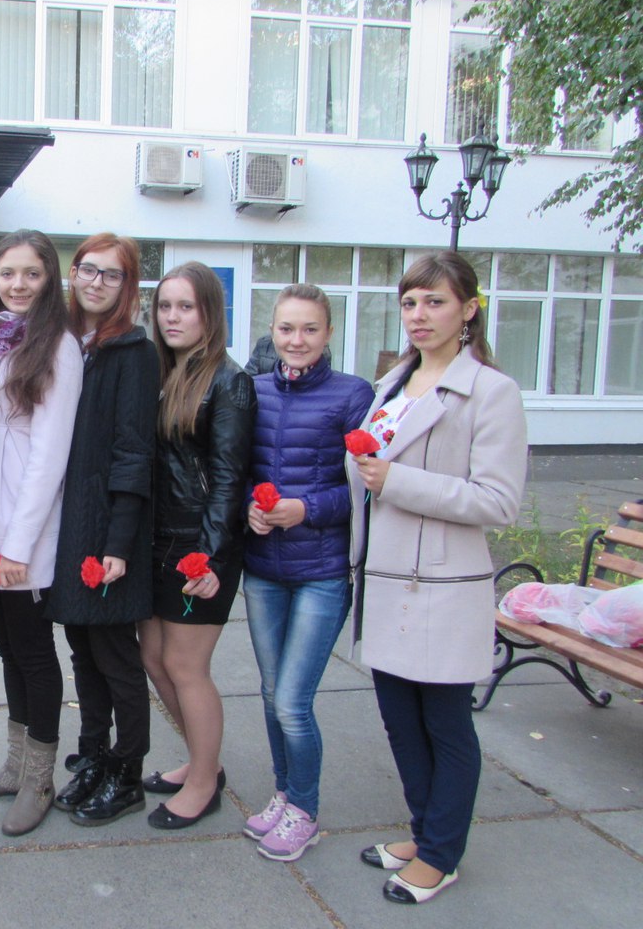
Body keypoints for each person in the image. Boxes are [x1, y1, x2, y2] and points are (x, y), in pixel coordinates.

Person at [348, 251, 525, 904]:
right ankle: (426, 835)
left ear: (469, 309)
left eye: (435, 301)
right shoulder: (392, 384)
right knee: (400, 722)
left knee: (445, 726)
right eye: (410, 303)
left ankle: (442, 855)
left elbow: (499, 501)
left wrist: (400, 481)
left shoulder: (492, 392)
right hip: (385, 577)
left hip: (441, 586)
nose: (419, 315)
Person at [241, 284, 374, 861]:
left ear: (328, 333)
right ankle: (284, 793)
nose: (297, 340)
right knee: (272, 693)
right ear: (272, 330)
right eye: (287, 328)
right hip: (263, 569)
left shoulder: (353, 394)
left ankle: (306, 810)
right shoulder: (253, 391)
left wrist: (306, 509)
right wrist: (248, 506)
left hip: (322, 570)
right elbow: (235, 469)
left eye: (310, 329)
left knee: (293, 701)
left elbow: (365, 490)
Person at [0, 229, 82, 837]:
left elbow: (49, 456)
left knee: (34, 655)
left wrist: (18, 545)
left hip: (22, 533)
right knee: (8, 649)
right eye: (9, 273)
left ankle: (39, 778)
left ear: (49, 279)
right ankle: (14, 766)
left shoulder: (58, 345)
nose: (18, 284)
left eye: (32, 273)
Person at [47, 234, 158, 826]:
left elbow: (134, 452)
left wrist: (118, 543)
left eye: (111, 275)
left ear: (126, 285)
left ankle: (128, 770)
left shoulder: (134, 352)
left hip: (109, 527)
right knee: (83, 652)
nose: (96, 282)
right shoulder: (65, 342)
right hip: (67, 525)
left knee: (116, 655)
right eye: (89, 270)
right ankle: (93, 755)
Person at [139, 262, 255, 830]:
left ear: (210, 313)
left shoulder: (228, 381)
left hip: (198, 546)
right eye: (165, 306)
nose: (172, 317)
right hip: (156, 539)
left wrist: (207, 557)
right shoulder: (165, 372)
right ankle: (201, 760)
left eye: (185, 307)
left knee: (186, 667)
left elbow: (229, 479)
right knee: (154, 660)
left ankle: (206, 783)